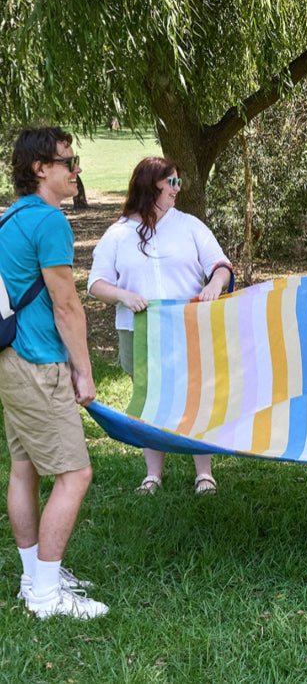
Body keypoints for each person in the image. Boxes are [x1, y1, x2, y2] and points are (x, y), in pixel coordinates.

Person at [0, 127, 108, 619]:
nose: (76, 170)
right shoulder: (48, 221)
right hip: (38, 364)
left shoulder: (11, 217)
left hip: (10, 358)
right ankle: (45, 596)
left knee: (24, 468)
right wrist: (82, 372)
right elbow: (67, 306)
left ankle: (33, 577)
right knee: (75, 474)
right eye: (69, 161)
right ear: (40, 168)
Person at [88, 157, 233, 496]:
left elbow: (221, 265)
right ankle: (152, 475)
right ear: (150, 185)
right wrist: (124, 295)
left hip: (189, 326)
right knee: (151, 400)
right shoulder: (118, 233)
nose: (177, 190)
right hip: (139, 330)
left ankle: (205, 475)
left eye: (178, 183)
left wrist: (215, 284)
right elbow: (96, 283)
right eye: (171, 183)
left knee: (196, 397)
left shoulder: (190, 225)